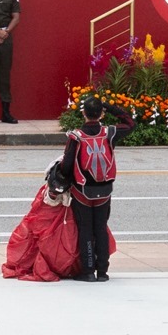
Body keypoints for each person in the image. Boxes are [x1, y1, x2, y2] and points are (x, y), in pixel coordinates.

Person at [59, 96, 135, 281]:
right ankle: (103, 272)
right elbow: (131, 123)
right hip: (105, 190)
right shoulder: (110, 133)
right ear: (101, 113)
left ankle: (88, 271)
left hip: (82, 191)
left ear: (83, 113)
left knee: (85, 229)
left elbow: (67, 165)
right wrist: (110, 106)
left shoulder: (76, 136)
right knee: (100, 228)